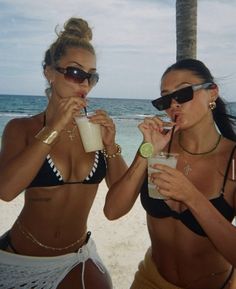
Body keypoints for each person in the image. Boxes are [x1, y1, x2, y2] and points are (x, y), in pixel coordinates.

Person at [0, 17, 127, 289]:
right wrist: (55, 126)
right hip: (21, 258)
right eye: (75, 73)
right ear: (49, 72)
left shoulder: (92, 131)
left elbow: (120, 202)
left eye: (92, 76)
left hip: (77, 257)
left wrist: (111, 146)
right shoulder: (20, 128)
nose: (85, 84)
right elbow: (7, 190)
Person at [104, 58, 236, 289]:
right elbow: (113, 210)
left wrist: (192, 197)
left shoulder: (232, 159)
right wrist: (146, 152)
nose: (173, 104)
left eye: (183, 93)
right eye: (165, 98)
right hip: (150, 280)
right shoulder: (157, 146)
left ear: (212, 93)